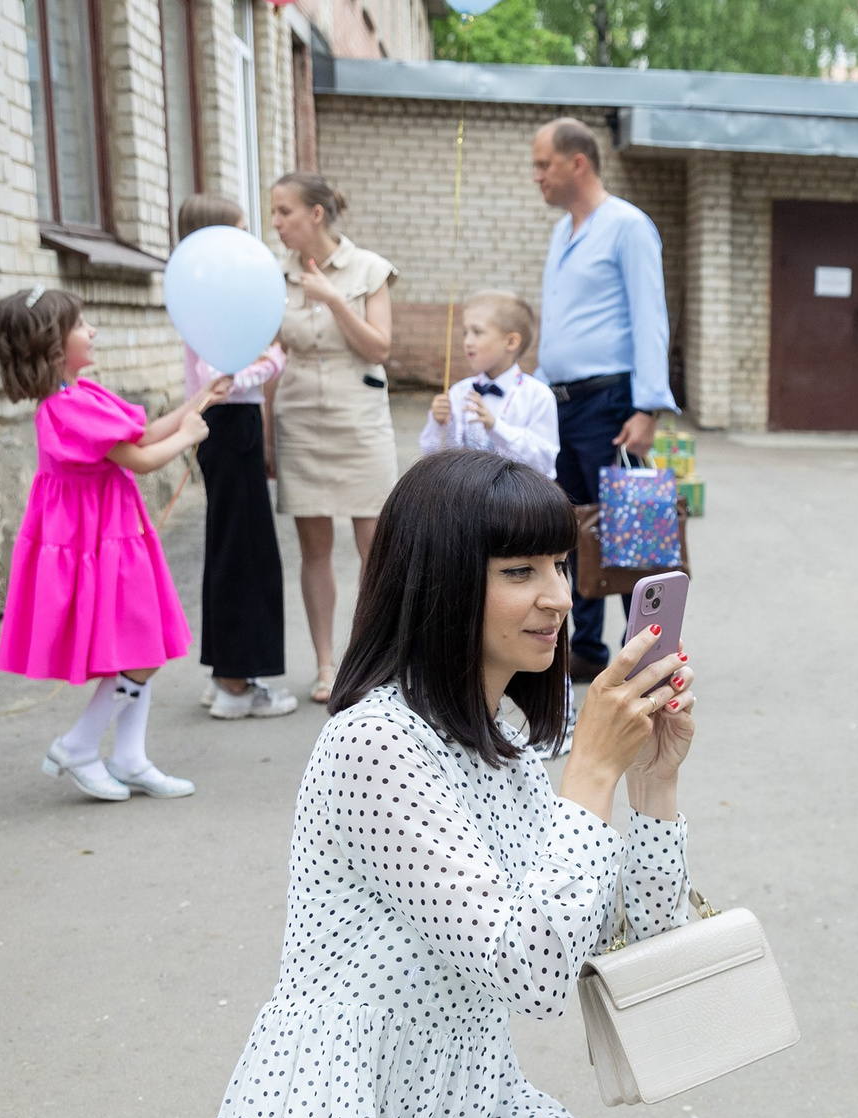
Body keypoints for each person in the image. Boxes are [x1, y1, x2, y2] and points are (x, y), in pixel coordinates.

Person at [162, 449, 765, 1118]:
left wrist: (654, 785)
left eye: (555, 565)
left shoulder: (511, 738)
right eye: (516, 571)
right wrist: (589, 777)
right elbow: (527, 971)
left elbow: (626, 939)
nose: (554, 598)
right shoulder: (375, 744)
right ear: (444, 580)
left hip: (465, 1106)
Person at [0, 286, 223, 801]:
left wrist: (198, 400)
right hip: (96, 542)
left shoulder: (83, 396)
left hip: (113, 533)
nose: (91, 331)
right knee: (140, 647)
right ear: (52, 345)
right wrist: (190, 436)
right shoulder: (64, 409)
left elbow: (139, 434)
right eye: (80, 325)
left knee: (142, 642)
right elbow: (139, 459)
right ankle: (78, 744)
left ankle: (130, 757)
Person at [532, 117, 676, 679]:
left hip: (611, 402)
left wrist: (648, 406)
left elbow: (650, 318)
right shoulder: (562, 231)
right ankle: (586, 649)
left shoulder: (627, 227)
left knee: (627, 532)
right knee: (571, 528)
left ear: (578, 163)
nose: (537, 176)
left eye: (543, 164)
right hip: (560, 402)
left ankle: (647, 651)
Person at [266, 171, 398, 704]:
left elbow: (379, 347)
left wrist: (331, 299)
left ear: (315, 214)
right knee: (313, 549)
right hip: (299, 419)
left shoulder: (368, 268)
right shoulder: (271, 276)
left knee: (376, 549)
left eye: (284, 212)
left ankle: (370, 660)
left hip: (358, 420)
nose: (276, 223)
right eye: (273, 213)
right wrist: (268, 435)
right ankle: (325, 665)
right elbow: (270, 362)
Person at [176, 194, 296, 723]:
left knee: (238, 547)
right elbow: (217, 379)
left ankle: (227, 671)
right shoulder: (207, 295)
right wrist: (269, 361)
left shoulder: (215, 298)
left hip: (234, 427)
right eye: (242, 230)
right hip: (227, 424)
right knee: (242, 553)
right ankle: (235, 685)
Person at [420, 290, 560, 478]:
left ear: (511, 342)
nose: (468, 342)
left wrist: (496, 427)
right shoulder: (459, 392)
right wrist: (437, 423)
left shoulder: (538, 395)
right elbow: (431, 454)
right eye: (465, 333)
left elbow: (544, 463)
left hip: (515, 500)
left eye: (477, 332)